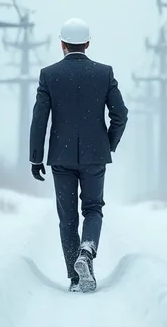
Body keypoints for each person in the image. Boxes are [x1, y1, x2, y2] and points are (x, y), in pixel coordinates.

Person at [29, 17, 128, 292]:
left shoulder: (49, 75)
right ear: (87, 44)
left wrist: (36, 157)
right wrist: (107, 144)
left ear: (62, 44)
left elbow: (40, 119)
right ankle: (87, 251)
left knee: (68, 217)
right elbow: (120, 114)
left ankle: (75, 279)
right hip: (95, 156)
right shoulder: (104, 73)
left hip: (60, 158)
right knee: (93, 208)